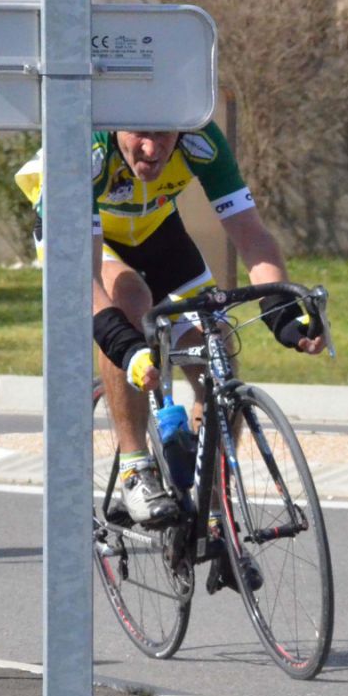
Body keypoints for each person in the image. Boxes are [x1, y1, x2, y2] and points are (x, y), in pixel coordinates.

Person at [18, 124, 325, 587]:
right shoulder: (88, 148)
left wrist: (281, 312)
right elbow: (83, 279)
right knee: (131, 303)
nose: (152, 147)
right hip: (81, 235)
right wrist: (125, 347)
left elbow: (251, 235)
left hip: (157, 232)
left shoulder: (201, 139)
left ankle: (212, 512)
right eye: (140, 133)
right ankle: (135, 467)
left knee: (216, 350)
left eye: (164, 135)